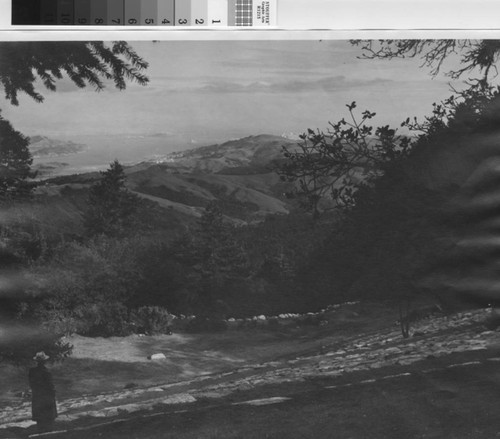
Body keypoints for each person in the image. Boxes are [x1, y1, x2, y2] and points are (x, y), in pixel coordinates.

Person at [28, 351, 57, 432]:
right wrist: (53, 393)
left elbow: (31, 384)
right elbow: (50, 386)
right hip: (46, 396)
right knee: (48, 414)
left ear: (37, 361)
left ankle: (40, 430)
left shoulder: (32, 371)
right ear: (44, 361)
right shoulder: (47, 372)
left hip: (37, 395)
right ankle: (48, 431)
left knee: (39, 414)